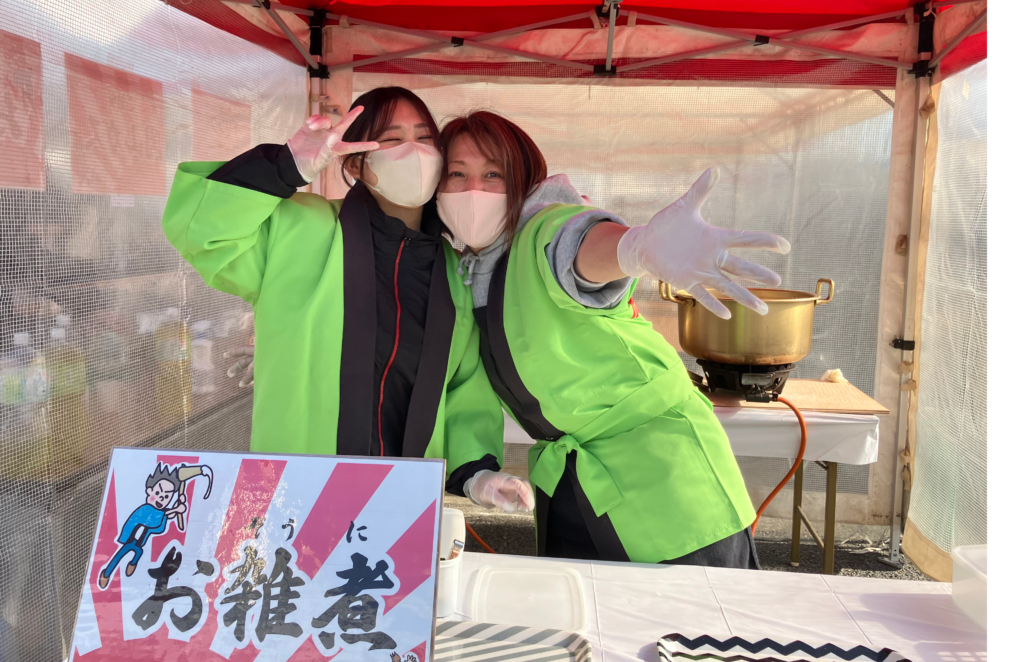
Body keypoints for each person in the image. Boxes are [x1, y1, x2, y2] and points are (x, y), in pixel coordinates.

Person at [436, 111, 791, 566]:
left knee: (693, 611)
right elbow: (468, 380)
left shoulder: (544, 229)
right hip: (574, 483)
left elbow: (580, 248)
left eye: (493, 175)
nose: (474, 191)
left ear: (524, 181)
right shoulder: (467, 272)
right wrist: (475, 473)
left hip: (665, 477)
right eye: (458, 175)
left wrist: (634, 248)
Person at [163, 89, 532, 513]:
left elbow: (464, 387)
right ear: (356, 163)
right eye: (392, 139)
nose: (413, 152)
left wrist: (477, 473)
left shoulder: (453, 273)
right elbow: (203, 234)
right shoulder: (299, 229)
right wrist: (284, 166)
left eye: (424, 138)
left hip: (401, 507)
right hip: (294, 501)